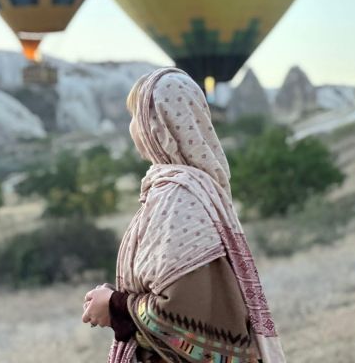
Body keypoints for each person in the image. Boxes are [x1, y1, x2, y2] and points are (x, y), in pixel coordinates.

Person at [82, 67, 286, 363]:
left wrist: (114, 306)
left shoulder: (177, 197)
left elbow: (178, 312)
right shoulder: (196, 186)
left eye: (135, 117)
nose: (131, 128)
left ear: (158, 126)